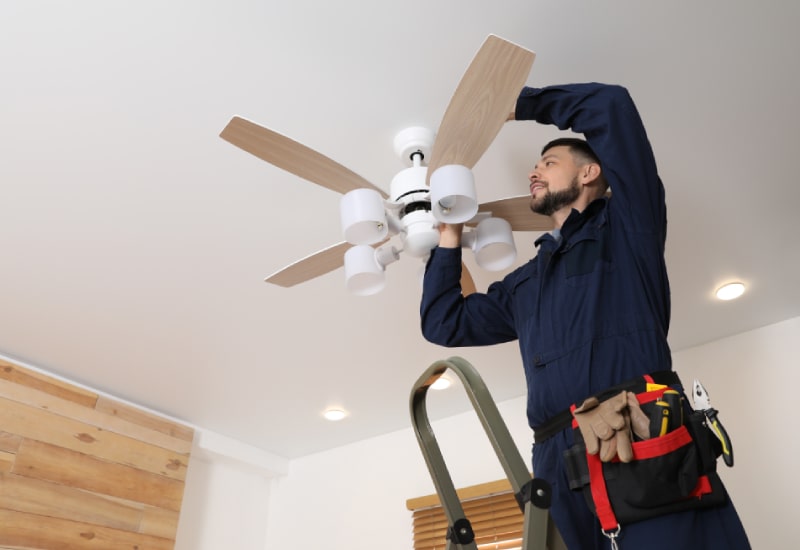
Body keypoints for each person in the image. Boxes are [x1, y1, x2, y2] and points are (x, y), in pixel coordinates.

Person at [420, 83, 750, 549]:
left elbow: (611, 105)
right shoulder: (526, 282)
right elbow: (444, 321)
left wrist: (513, 104)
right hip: (555, 457)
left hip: (634, 426)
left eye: (548, 163)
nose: (534, 172)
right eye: (535, 166)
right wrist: (448, 234)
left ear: (591, 172)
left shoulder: (627, 228)